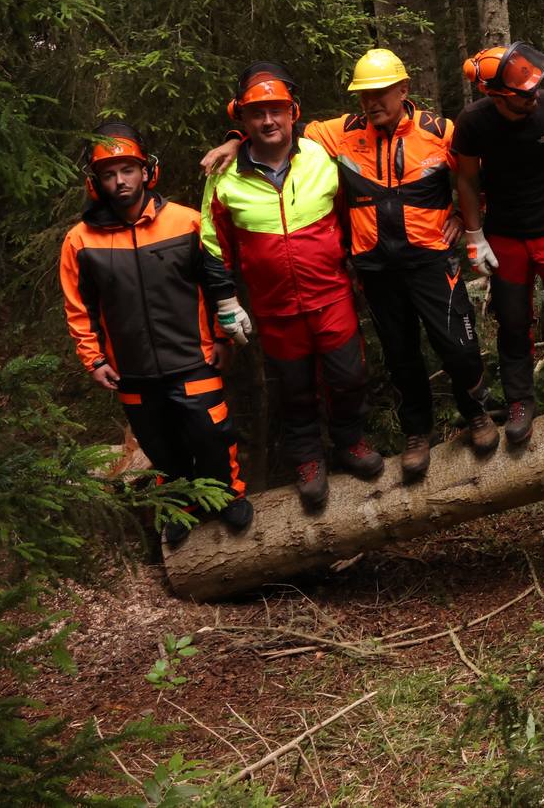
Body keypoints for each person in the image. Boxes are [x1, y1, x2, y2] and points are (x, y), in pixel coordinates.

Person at [202, 48, 496, 477]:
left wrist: (465, 216)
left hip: (431, 259)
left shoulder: (439, 130)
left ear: (403, 90)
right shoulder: (338, 134)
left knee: (459, 346)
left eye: (380, 93)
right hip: (376, 269)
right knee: (400, 355)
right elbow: (274, 126)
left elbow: (477, 173)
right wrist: (234, 138)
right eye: (364, 95)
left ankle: (478, 414)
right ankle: (417, 432)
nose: (371, 103)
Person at [201, 63, 382, 509]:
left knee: (348, 376)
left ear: (292, 112)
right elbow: (212, 243)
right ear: (242, 119)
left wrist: (360, 269)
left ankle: (349, 441)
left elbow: (351, 212)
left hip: (331, 294)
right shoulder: (225, 174)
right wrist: (226, 301)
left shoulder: (321, 154)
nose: (268, 121)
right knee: (294, 386)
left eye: (277, 111)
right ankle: (307, 458)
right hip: (274, 306)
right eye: (257, 113)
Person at [61, 122, 251, 545]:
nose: (120, 181)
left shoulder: (187, 222)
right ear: (96, 183)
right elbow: (79, 307)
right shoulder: (80, 241)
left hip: (194, 357)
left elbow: (217, 287)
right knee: (160, 445)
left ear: (147, 171)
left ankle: (227, 495)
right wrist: (93, 359)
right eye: (109, 174)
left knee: (212, 434)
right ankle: (179, 507)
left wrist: (223, 339)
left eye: (128, 170)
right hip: (131, 369)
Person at [453, 42, 544, 445]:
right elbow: (466, 179)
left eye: (534, 88)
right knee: (513, 320)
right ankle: (519, 399)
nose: (533, 96)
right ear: (497, 95)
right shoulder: (474, 121)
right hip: (505, 234)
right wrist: (474, 236)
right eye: (523, 93)